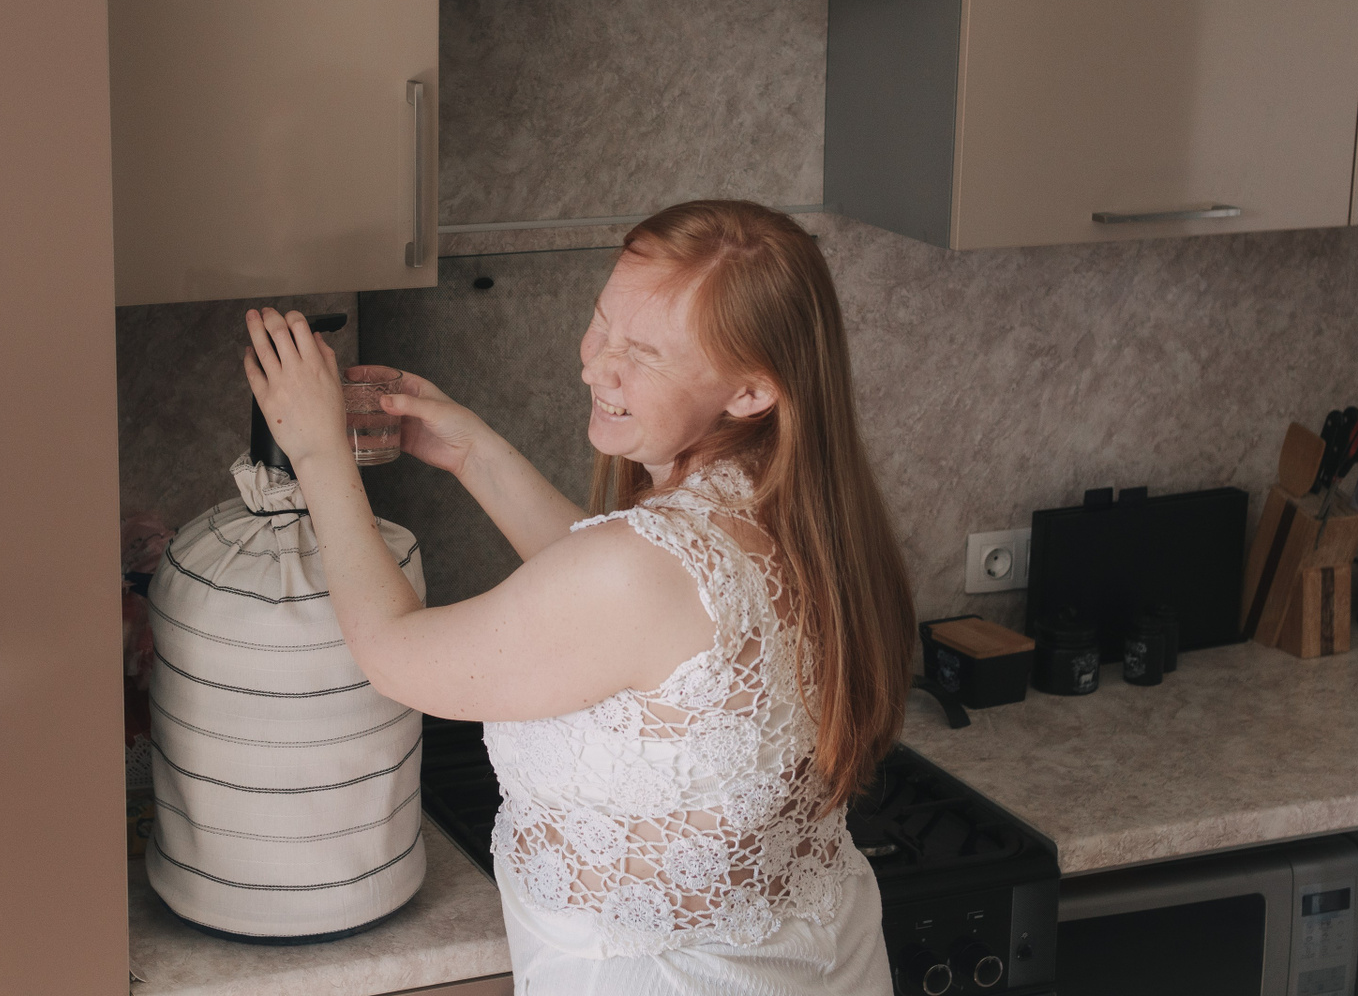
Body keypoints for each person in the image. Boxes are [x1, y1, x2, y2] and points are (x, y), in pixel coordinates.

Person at [243, 199, 913, 994]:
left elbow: (395, 654)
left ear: (749, 392)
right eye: (602, 322)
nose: (598, 366)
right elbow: (620, 611)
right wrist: (472, 453)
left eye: (644, 353)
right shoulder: (796, 513)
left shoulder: (641, 572)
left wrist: (318, 453)